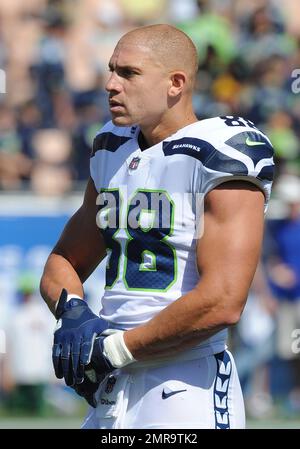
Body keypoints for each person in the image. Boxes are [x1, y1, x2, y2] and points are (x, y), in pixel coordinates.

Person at [40, 24, 275, 429]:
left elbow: (224, 300)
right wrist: (73, 310)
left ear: (175, 83)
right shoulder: (111, 147)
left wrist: (116, 348)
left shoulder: (221, 153)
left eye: (128, 73)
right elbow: (64, 260)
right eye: (112, 70)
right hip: (114, 385)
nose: (111, 84)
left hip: (186, 382)